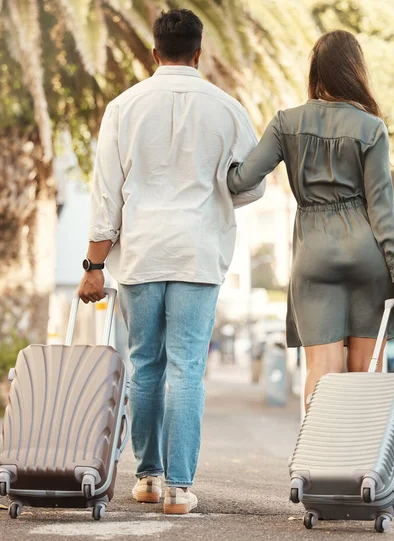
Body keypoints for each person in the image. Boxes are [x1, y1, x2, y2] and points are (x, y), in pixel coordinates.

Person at [78, 9, 265, 514]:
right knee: (187, 369)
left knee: (144, 365)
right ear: (199, 53)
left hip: (140, 252)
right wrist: (219, 192)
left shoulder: (123, 107)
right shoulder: (227, 109)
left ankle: (147, 478)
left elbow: (106, 196)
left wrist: (92, 265)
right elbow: (254, 183)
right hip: (199, 253)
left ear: (154, 53)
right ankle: (181, 489)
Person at [227, 30, 394, 410]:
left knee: (322, 376)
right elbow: (382, 208)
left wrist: (222, 164)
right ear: (355, 71)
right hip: (366, 255)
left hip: (314, 256)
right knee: (366, 375)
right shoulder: (371, 128)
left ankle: (319, 462)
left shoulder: (286, 122)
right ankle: (362, 465)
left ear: (316, 72)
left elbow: (242, 179)